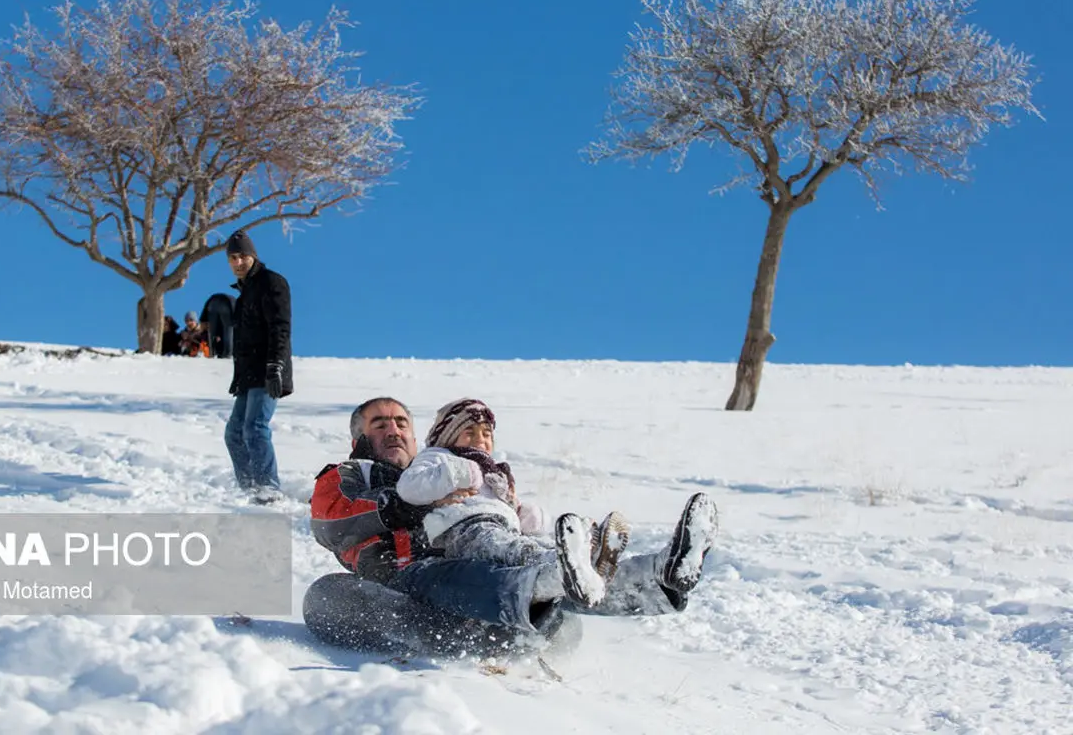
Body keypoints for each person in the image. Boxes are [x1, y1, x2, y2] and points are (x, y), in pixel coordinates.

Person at [310, 396, 718, 636]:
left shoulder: (441, 469)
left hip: (475, 579)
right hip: (402, 584)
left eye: (402, 422)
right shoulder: (351, 474)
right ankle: (536, 592)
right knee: (324, 596)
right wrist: (405, 504)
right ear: (358, 438)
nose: (395, 430)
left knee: (543, 570)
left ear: (417, 437)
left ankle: (656, 579)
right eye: (380, 424)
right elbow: (332, 521)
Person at [396, 398, 626, 607]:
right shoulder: (437, 456)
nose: (480, 439)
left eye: (486, 434)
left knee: (524, 543)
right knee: (512, 549)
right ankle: (565, 563)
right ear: (447, 435)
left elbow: (508, 506)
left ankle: (586, 560)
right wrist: (458, 472)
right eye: (469, 431)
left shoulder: (494, 473)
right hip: (462, 528)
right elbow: (408, 487)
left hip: (501, 525)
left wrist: (524, 514)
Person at [223, 229, 293, 504]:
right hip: (248, 375)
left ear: (253, 256)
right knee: (233, 433)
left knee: (255, 428)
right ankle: (249, 487)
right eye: (233, 258)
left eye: (242, 256)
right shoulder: (243, 293)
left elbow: (281, 327)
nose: (238, 263)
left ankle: (268, 489)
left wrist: (275, 365)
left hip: (268, 371)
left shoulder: (272, 283)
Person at [200, 293, 236, 359]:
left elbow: (203, 323)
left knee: (212, 334)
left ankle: (212, 353)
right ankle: (227, 355)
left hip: (212, 303)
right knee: (228, 332)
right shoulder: (235, 301)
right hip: (227, 304)